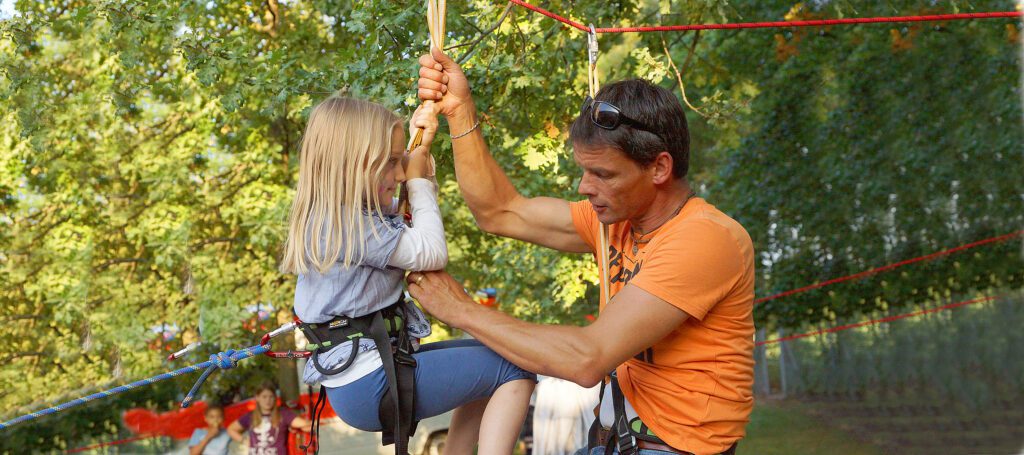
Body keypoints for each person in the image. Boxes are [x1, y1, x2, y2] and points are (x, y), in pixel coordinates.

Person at [406, 48, 754, 455]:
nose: (584, 187)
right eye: (585, 170)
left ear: (659, 168)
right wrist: (459, 110)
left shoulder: (705, 239)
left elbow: (588, 359)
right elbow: (500, 212)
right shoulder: (616, 222)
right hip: (613, 442)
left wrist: (461, 310)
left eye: (603, 174)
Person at [277, 96, 535, 454]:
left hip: (367, 373)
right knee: (515, 367)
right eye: (390, 163)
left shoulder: (341, 219)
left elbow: (405, 218)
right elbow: (431, 251)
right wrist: (419, 180)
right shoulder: (351, 228)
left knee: (497, 356)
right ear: (351, 165)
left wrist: (418, 146)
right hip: (370, 380)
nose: (399, 175)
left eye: (400, 162)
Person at [227, 382, 312, 455]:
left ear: (275, 398)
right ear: (257, 397)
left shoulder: (283, 413)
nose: (268, 400)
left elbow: (304, 424)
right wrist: (244, 440)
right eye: (264, 397)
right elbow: (231, 429)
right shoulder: (250, 416)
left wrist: (316, 422)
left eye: (271, 396)